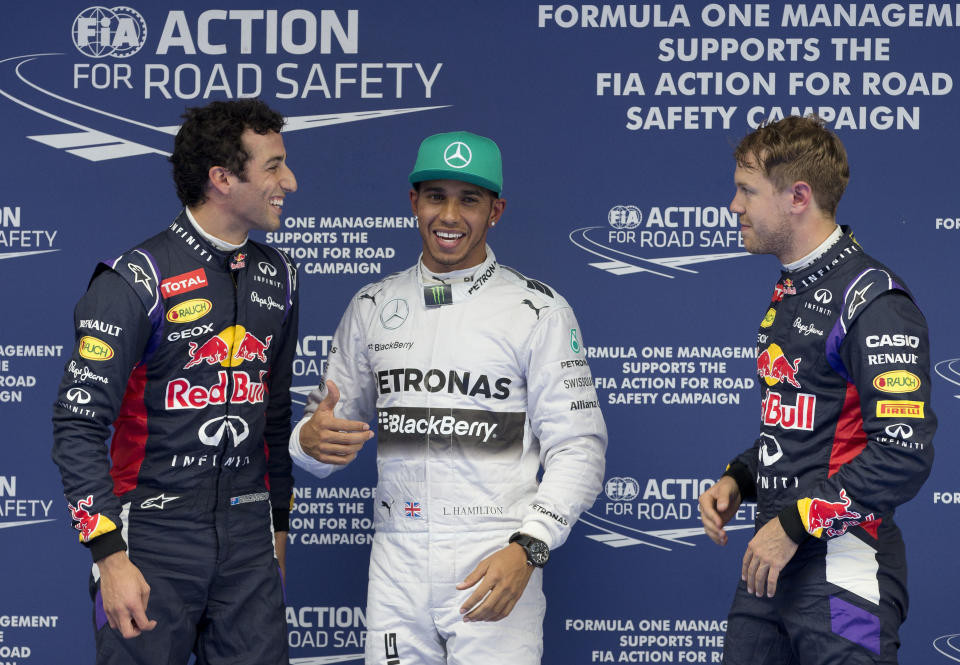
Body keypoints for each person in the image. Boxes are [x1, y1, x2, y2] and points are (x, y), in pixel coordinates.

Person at [289, 130, 607, 664]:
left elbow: (580, 449)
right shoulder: (372, 305)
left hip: (496, 553)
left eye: (470, 199)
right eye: (436, 196)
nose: (450, 215)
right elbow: (324, 433)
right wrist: (306, 441)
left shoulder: (538, 310)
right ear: (414, 202)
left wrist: (530, 547)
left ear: (496, 211)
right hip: (397, 557)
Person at [52, 99, 299, 665]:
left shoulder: (280, 275)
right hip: (151, 542)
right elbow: (78, 426)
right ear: (221, 179)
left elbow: (275, 418)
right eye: (273, 166)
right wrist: (109, 555)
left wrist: (275, 539)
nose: (289, 180)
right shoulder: (136, 279)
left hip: (248, 542)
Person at [698, 115, 936, 664]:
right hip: (774, 560)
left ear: (797, 196)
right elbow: (809, 427)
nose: (734, 206)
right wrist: (740, 478)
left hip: (845, 558)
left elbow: (902, 453)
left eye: (746, 190)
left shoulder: (871, 300)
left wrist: (794, 522)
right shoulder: (794, 288)